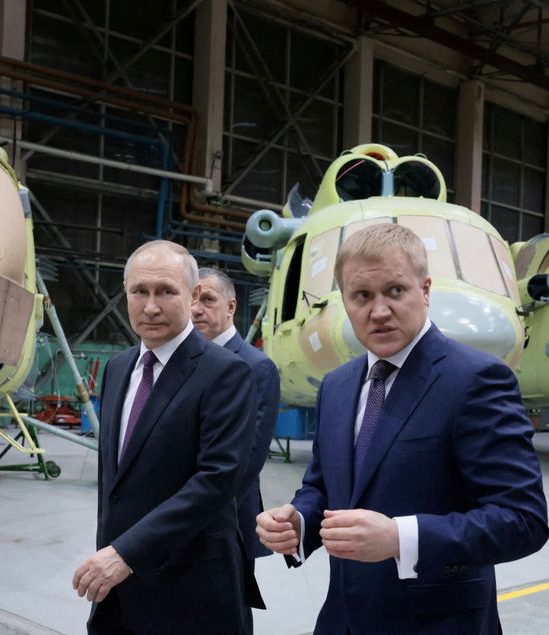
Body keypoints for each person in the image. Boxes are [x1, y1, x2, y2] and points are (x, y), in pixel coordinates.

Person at [256, 223, 548, 634]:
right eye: (362, 295)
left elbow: (522, 520)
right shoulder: (337, 386)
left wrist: (400, 537)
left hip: (439, 623)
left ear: (425, 290)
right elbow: (322, 486)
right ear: (344, 301)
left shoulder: (475, 380)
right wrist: (298, 522)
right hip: (342, 620)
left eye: (395, 291)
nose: (379, 311)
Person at [72, 240, 264, 635]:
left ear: (193, 295)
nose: (150, 307)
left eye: (165, 291)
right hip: (117, 590)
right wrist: (113, 554)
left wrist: (127, 552)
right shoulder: (118, 369)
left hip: (190, 592)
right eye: (139, 292)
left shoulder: (226, 373)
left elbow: (216, 481)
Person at [192, 267, 280, 563]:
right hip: (178, 517)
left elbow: (250, 457)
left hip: (227, 517)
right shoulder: (185, 361)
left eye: (207, 299)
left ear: (231, 307)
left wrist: (199, 512)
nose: (196, 309)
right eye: (192, 300)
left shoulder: (257, 367)